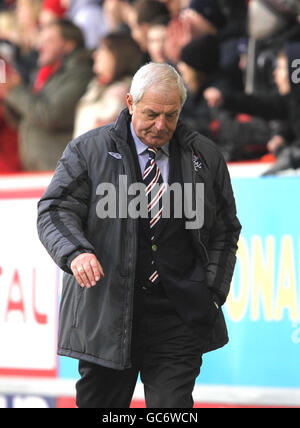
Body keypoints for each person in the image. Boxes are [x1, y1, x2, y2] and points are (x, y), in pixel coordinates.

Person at [37, 62, 241, 408]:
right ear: (130, 103)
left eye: (171, 115)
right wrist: (76, 252)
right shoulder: (88, 150)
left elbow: (225, 228)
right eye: (151, 114)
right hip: (107, 312)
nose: (161, 125)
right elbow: (54, 210)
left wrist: (213, 292)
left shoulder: (204, 156)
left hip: (178, 316)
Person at [2, 19, 93, 171]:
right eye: (41, 40)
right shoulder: (48, 73)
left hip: (58, 169)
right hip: (41, 168)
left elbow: (50, 115)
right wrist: (8, 94)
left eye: (49, 41)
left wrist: (15, 91)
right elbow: (26, 118)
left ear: (69, 45)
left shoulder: (80, 73)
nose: (40, 46)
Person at [204, 41, 300, 172]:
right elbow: (260, 104)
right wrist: (225, 99)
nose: (275, 74)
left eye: (282, 68)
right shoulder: (291, 100)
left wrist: (288, 153)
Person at [73, 32, 144, 138]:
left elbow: (97, 135)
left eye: (102, 49)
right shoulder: (96, 85)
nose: (95, 55)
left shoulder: (121, 92)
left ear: (118, 56)